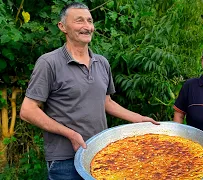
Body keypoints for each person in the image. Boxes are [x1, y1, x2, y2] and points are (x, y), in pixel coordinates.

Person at [19, 2, 159, 180]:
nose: (87, 27)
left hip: (101, 153)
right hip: (64, 161)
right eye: (79, 21)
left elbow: (106, 102)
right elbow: (27, 110)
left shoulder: (102, 62)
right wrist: (70, 134)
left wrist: (139, 119)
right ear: (62, 27)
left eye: (90, 21)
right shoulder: (49, 63)